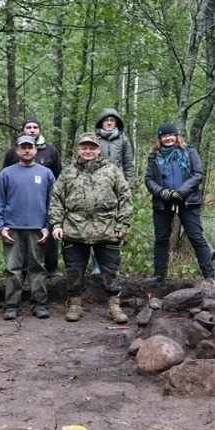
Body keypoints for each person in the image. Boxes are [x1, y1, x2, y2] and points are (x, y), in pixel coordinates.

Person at [50, 132, 132, 323]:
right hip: (74, 230)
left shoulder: (111, 171)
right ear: (78, 149)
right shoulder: (68, 172)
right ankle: (75, 304)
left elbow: (125, 198)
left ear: (98, 149)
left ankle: (114, 307)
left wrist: (123, 224)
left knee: (111, 270)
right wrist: (56, 224)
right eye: (84, 147)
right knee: (74, 270)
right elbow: (56, 200)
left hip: (107, 229)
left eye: (92, 147)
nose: (88, 151)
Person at [0, 135, 56, 320]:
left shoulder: (46, 174)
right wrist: (0, 227)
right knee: (13, 269)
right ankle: (12, 305)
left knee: (38, 267)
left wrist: (48, 226)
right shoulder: (7, 173)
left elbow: (52, 204)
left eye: (30, 147)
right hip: (12, 229)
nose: (27, 150)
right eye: (23, 147)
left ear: (36, 150)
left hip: (38, 229)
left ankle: (39, 304)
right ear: (17, 150)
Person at [144, 123, 215, 284]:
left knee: (196, 237)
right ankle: (159, 275)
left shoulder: (189, 152)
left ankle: (209, 276)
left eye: (170, 135)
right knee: (161, 238)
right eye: (164, 136)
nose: (168, 138)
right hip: (163, 202)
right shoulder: (154, 157)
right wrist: (162, 192)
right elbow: (149, 179)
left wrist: (182, 192)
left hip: (188, 201)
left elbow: (198, 174)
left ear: (176, 136)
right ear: (160, 139)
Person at [2, 117, 63, 279]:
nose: (32, 130)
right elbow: (6, 179)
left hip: (44, 201)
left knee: (48, 239)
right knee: (23, 244)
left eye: (35, 127)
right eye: (28, 127)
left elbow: (58, 176)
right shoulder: (13, 152)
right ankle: (23, 271)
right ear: (23, 130)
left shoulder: (51, 151)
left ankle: (51, 270)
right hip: (20, 207)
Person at [91, 108, 135, 276]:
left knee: (117, 226)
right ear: (101, 122)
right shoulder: (95, 139)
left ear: (117, 122)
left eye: (112, 120)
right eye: (106, 120)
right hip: (96, 187)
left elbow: (128, 164)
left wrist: (128, 186)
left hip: (117, 188)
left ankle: (112, 266)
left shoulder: (123, 140)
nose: (109, 123)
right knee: (96, 226)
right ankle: (96, 265)